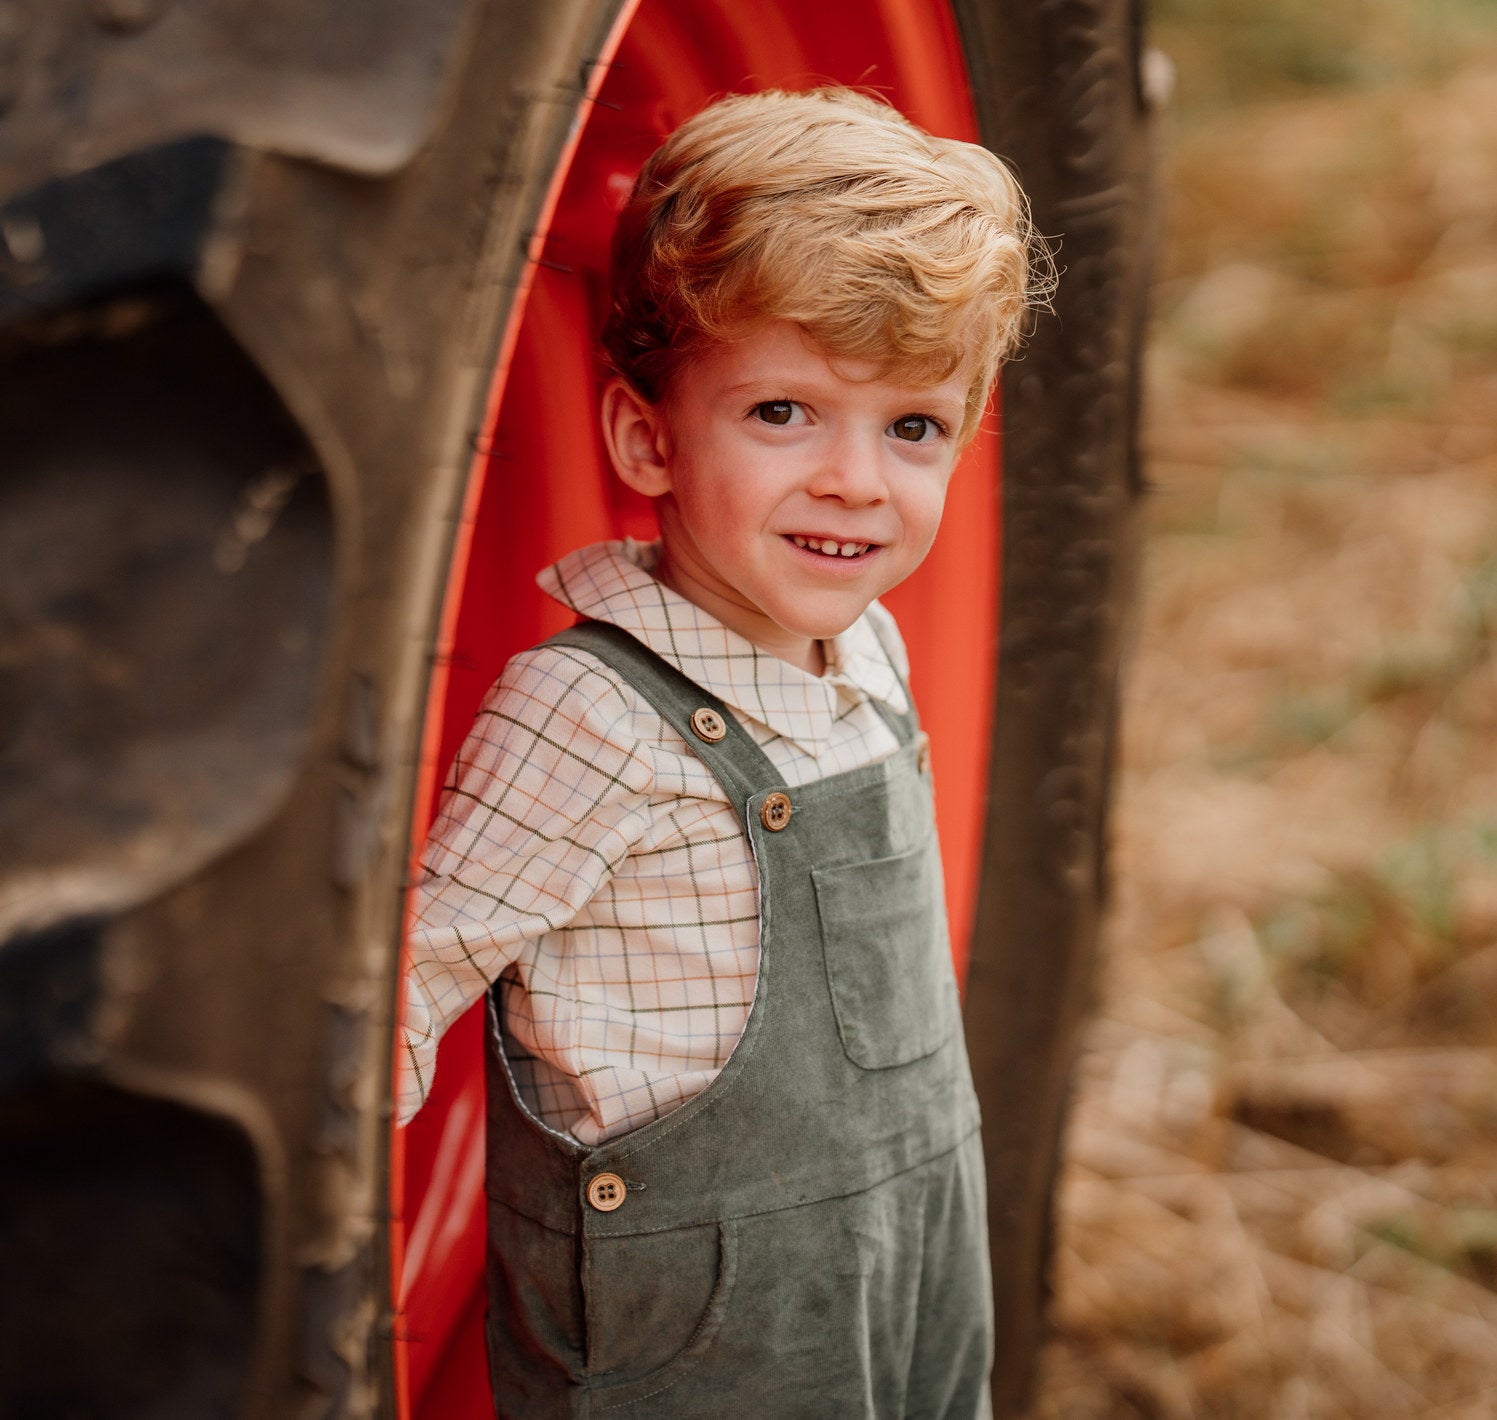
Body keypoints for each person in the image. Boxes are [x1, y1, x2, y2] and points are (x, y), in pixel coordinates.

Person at [398, 86, 1048, 1418]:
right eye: (782, 415)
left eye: (911, 426)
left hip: (905, 1268)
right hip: (698, 1347)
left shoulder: (872, 658)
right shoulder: (591, 714)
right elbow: (402, 988)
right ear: (646, 436)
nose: (858, 481)